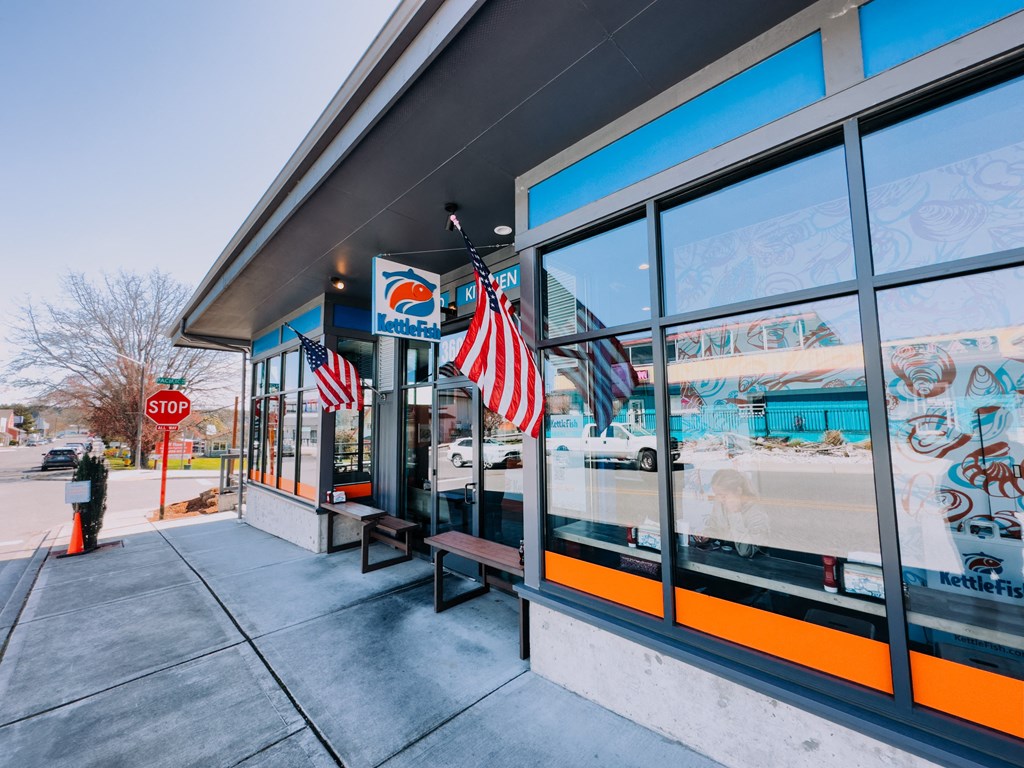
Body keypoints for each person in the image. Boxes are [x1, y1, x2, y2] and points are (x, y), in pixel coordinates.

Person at [694, 469, 770, 557]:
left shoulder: (756, 512)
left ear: (738, 491)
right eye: (716, 494)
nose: (719, 499)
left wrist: (735, 513)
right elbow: (715, 527)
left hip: (754, 565)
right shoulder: (720, 502)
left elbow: (745, 551)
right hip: (727, 557)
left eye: (723, 495)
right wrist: (707, 536)